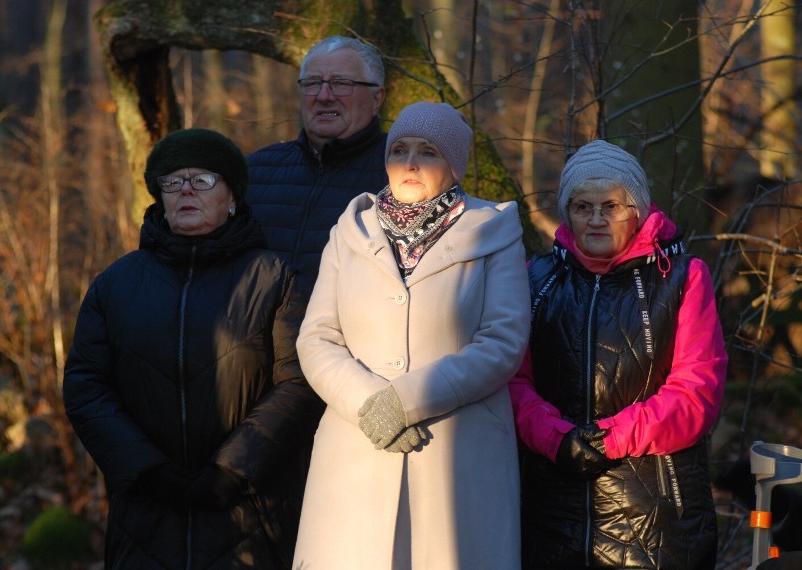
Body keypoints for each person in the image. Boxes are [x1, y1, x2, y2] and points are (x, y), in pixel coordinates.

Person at [62, 128, 324, 569]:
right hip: (145, 518)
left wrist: (233, 470)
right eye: (172, 181)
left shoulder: (276, 279)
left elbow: (298, 382)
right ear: (158, 196)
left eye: (202, 180)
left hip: (251, 515)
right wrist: (146, 471)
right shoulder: (115, 284)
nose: (185, 190)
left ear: (233, 196)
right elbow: (87, 386)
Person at [292, 101, 531, 569]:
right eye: (399, 149)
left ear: (454, 165)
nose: (411, 162)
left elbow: (502, 342)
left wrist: (406, 401)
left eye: (429, 151)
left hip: (454, 454)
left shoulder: (494, 230)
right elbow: (317, 338)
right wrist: (368, 403)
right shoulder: (349, 230)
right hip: (355, 451)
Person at [509, 140, 728, 569]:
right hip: (551, 511)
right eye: (581, 206)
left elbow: (696, 391)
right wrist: (556, 439)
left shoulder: (682, 277)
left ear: (639, 209)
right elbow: (513, 382)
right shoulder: (536, 279)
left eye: (610, 206)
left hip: (655, 516)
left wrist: (610, 439)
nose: (595, 220)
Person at [247, 35, 389, 292]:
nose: (324, 96)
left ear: (376, 99)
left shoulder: (402, 175)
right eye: (312, 83)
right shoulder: (254, 172)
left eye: (341, 83)